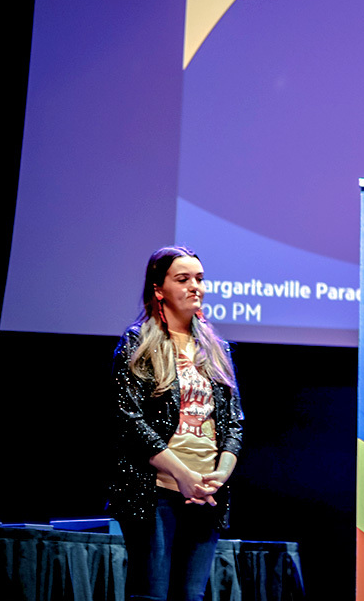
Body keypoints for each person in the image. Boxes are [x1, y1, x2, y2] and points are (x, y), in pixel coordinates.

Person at [109, 246, 244, 601]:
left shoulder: (217, 348)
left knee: (191, 596)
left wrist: (221, 474)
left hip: (206, 495)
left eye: (199, 279)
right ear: (159, 289)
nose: (195, 286)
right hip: (155, 492)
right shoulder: (138, 342)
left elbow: (234, 424)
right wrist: (181, 475)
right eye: (183, 279)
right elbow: (129, 419)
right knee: (150, 595)